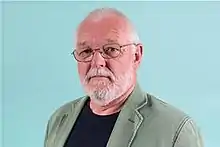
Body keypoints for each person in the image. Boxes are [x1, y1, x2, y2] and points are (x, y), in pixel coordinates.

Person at [44, 7, 204, 147]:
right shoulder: (59, 120)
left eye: (111, 49)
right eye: (86, 52)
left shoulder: (175, 130)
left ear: (136, 55)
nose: (97, 62)